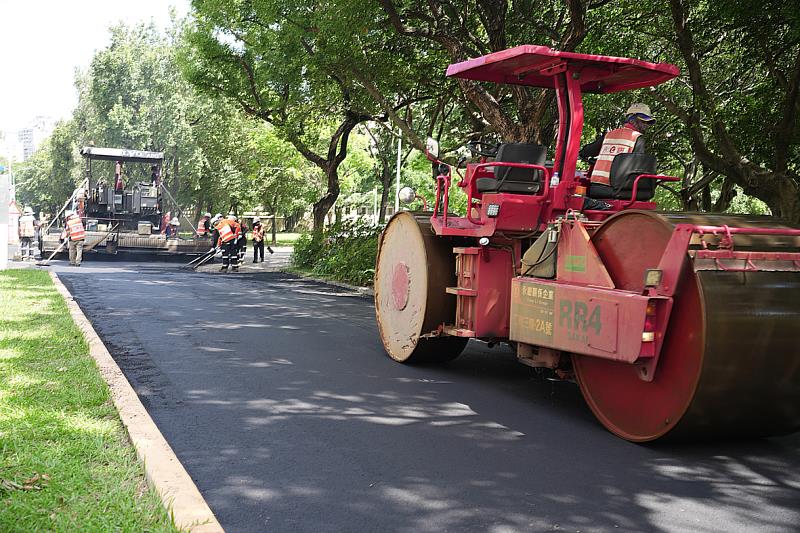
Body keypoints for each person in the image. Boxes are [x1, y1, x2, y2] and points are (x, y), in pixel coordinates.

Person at [579, 102, 655, 188]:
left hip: (596, 185)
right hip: (618, 188)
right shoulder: (637, 138)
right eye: (643, 121)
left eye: (647, 123)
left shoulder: (608, 135)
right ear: (632, 119)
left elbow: (585, 152)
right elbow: (638, 168)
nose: (646, 125)